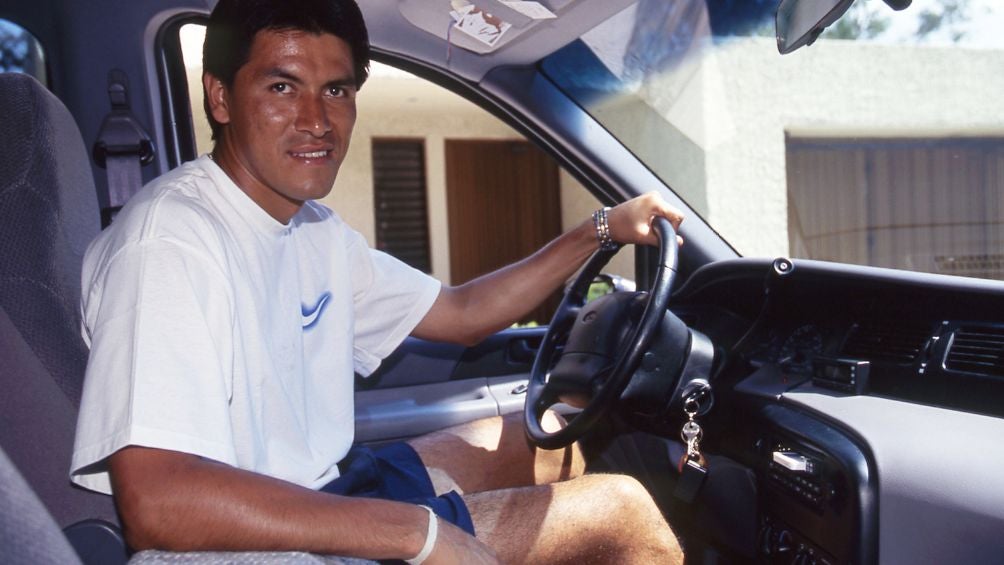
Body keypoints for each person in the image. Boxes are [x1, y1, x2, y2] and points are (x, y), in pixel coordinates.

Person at [70, 0, 686, 563]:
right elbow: (159, 501)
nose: (316, 120)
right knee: (624, 515)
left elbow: (461, 312)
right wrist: (419, 533)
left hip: (322, 491)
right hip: (259, 543)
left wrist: (601, 229)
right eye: (282, 87)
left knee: (548, 440)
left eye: (335, 90)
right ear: (221, 97)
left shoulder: (313, 230)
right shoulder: (170, 240)